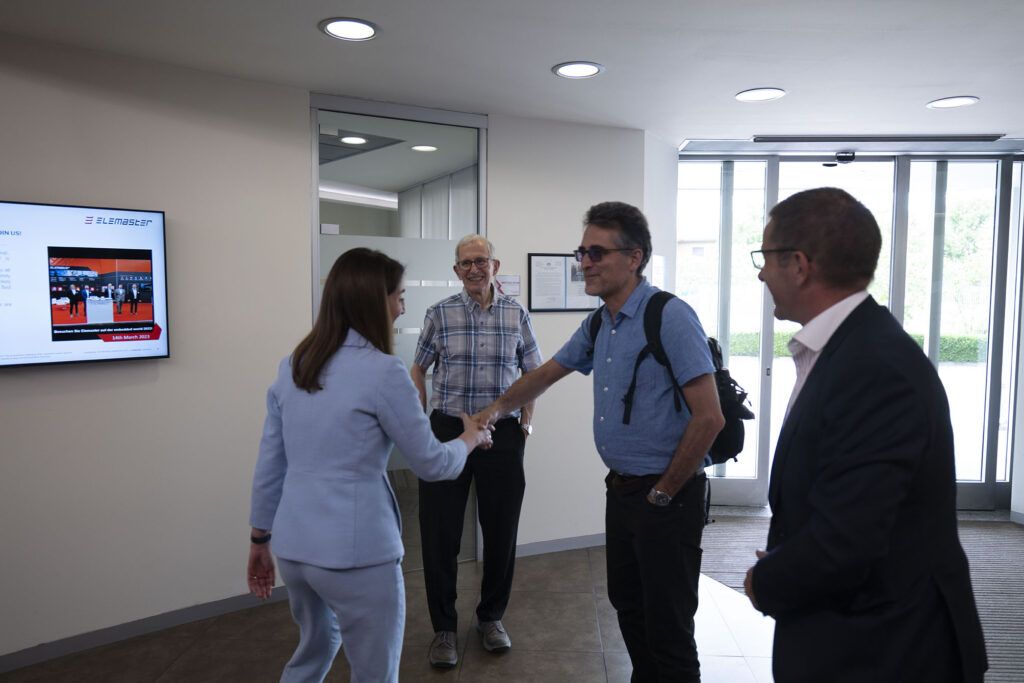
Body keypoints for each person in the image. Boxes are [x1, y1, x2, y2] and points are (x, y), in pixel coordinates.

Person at [742, 187, 988, 682]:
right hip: (856, 634)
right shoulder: (850, 347)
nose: (762, 274)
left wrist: (764, 581)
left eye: (765, 257)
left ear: (799, 264)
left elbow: (846, 542)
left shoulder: (875, 368)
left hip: (885, 649)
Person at [475, 202, 724, 682]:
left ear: (634, 258)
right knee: (629, 606)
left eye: (596, 252)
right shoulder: (600, 322)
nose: (584, 263)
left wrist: (663, 492)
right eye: (581, 252)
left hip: (668, 496)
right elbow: (547, 373)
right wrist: (495, 411)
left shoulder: (669, 316)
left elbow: (709, 417)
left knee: (668, 626)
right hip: (623, 490)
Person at [247, 247, 493, 683]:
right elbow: (433, 464)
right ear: (373, 302)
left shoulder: (294, 365)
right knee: (374, 673)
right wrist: (469, 438)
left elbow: (271, 464)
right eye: (399, 296)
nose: (403, 307)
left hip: (295, 550)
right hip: (357, 553)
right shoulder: (384, 373)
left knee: (311, 655)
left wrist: (259, 539)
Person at [410, 235, 543, 668]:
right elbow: (418, 368)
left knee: (502, 532)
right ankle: (444, 629)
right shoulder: (439, 313)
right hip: (448, 431)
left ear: (494, 265)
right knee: (440, 534)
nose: (473, 269)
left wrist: (525, 426)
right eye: (465, 263)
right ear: (456, 270)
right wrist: (420, 420)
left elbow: (533, 375)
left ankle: (491, 618)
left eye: (480, 261)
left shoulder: (516, 314)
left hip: (501, 434)